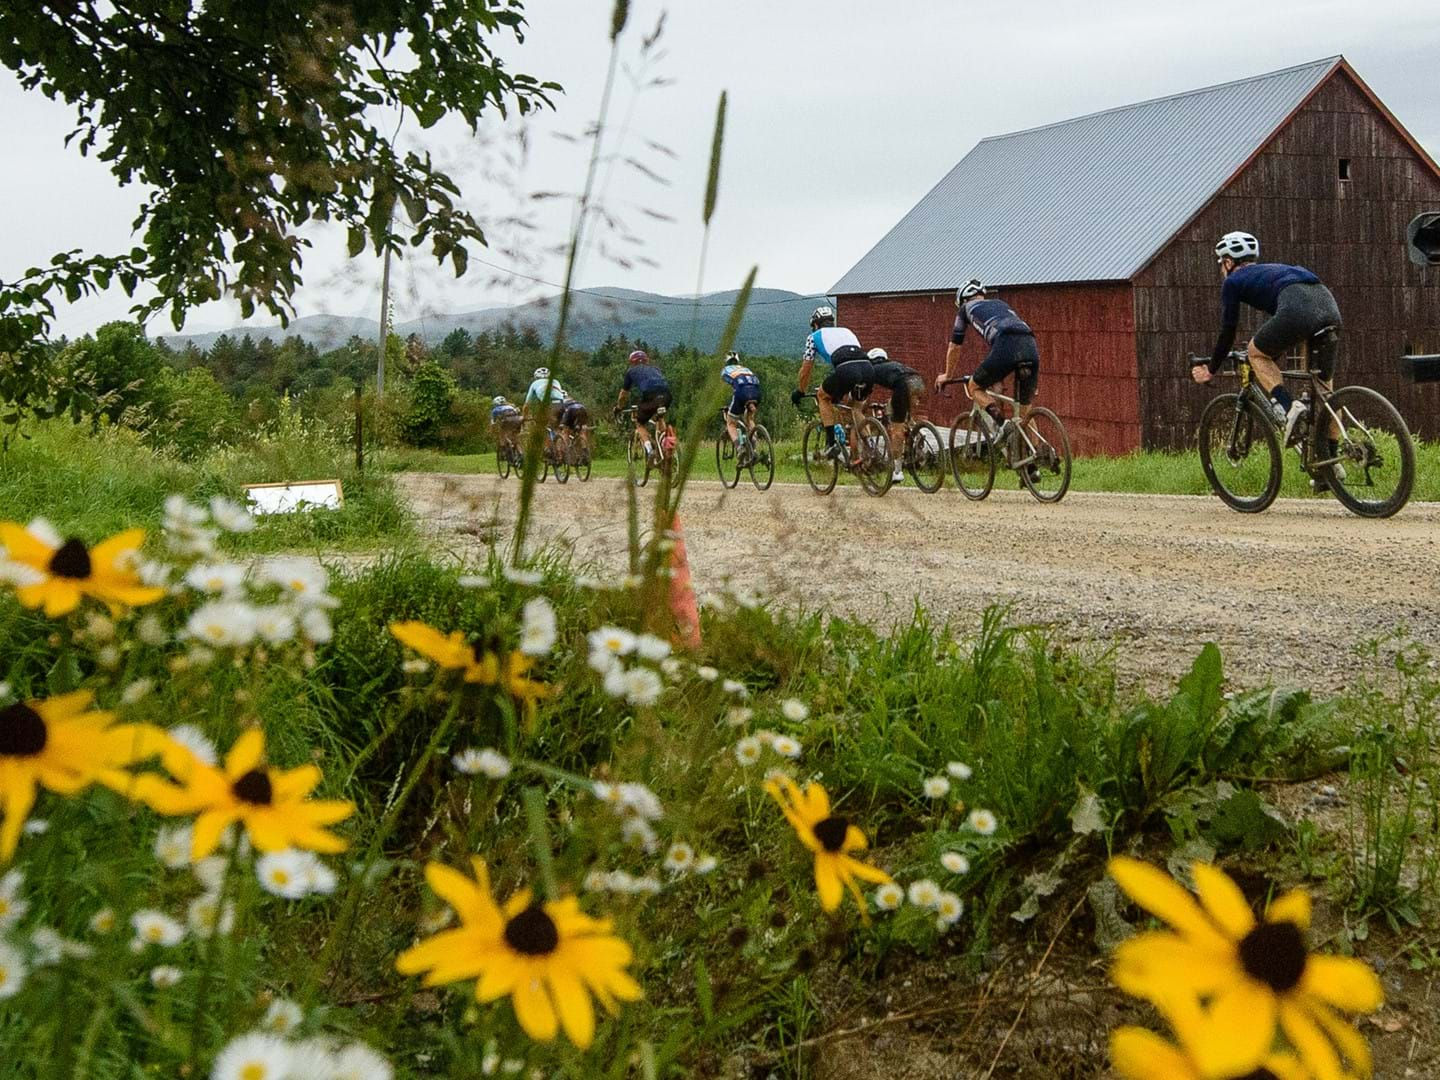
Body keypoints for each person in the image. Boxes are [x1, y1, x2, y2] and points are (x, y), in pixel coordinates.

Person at [1192, 231, 1344, 489]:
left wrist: (1212, 368)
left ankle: (1287, 405)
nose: (1221, 269)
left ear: (1228, 262)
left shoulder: (1233, 281)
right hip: (1328, 307)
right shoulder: (1274, 271)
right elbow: (1284, 326)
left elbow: (1228, 330)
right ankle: (1331, 461)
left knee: (1255, 352)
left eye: (1221, 263)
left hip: (1297, 309)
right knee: (1326, 387)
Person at [935, 279, 1040, 437]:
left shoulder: (965, 309)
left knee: (974, 387)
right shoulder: (1000, 304)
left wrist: (948, 375)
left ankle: (1002, 424)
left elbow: (955, 346)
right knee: (1025, 412)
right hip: (1030, 346)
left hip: (1006, 345)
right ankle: (1038, 455)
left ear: (963, 299)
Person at [790, 305, 873, 461]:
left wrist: (800, 391)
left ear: (815, 324)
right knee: (855, 408)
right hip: (867, 368)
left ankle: (831, 443)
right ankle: (871, 447)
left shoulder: (813, 337)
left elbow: (806, 369)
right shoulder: (847, 331)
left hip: (846, 369)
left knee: (822, 396)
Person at [867, 348, 926, 482]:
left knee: (896, 430)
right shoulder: (894, 364)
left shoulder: (871, 370)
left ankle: (897, 471)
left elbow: (866, 394)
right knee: (906, 414)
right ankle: (916, 432)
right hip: (917, 380)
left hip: (903, 385)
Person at [615, 349, 674, 463]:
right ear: (646, 361)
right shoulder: (655, 369)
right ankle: (663, 448)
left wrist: (619, 407)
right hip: (667, 396)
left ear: (632, 362)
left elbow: (624, 394)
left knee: (639, 423)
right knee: (659, 417)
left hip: (651, 396)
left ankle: (650, 450)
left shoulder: (631, 371)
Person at [720, 351, 762, 463]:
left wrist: (727, 406)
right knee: (749, 419)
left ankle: (740, 448)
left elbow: (728, 391)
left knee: (731, 422)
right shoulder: (746, 369)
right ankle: (754, 448)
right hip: (756, 392)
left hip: (741, 392)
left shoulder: (725, 371)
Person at [522, 367, 568, 434]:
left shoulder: (534, 383)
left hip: (548, 404)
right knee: (557, 425)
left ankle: (549, 442)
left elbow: (527, 404)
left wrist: (524, 417)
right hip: (561, 404)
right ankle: (560, 438)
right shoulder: (556, 381)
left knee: (541, 425)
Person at [556, 395, 591, 462]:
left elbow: (561, 416)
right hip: (582, 409)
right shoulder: (575, 401)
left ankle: (566, 450)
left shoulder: (562, 403)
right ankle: (585, 451)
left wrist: (560, 425)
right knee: (582, 432)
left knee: (565, 432)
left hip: (570, 411)